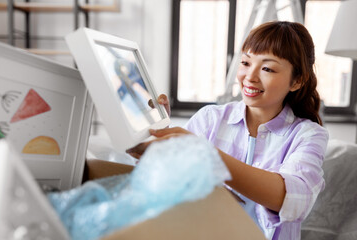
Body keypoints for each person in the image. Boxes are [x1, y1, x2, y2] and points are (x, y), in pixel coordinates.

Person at [127, 21, 329, 240]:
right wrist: (157, 133)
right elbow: (166, 182)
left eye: (267, 68)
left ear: (297, 81)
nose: (249, 77)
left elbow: (293, 199)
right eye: (245, 62)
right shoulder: (210, 119)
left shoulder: (308, 135)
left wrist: (207, 155)